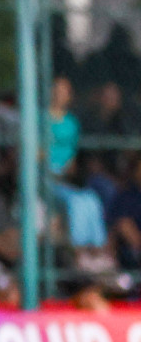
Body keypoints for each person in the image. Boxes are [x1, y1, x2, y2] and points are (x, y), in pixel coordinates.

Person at [47, 76, 111, 273]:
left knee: (91, 199)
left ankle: (97, 252)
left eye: (64, 91)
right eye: (57, 89)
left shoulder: (72, 123)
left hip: (65, 180)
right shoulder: (39, 119)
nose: (60, 94)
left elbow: (72, 156)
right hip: (46, 178)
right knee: (74, 203)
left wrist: (70, 174)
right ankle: (79, 253)